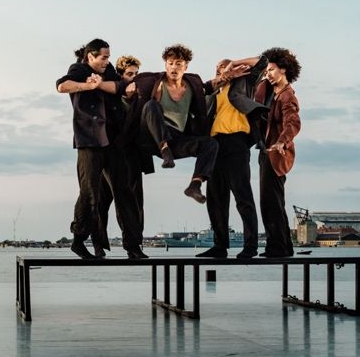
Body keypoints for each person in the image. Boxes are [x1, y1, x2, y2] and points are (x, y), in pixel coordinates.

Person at [56, 39, 146, 259]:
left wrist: (103, 85)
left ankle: (133, 246)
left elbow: (121, 87)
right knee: (89, 193)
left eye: (108, 57)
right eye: (103, 57)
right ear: (91, 56)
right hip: (89, 141)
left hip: (113, 141)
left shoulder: (110, 71)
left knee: (124, 192)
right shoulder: (79, 70)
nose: (107, 61)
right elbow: (62, 86)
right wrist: (88, 85)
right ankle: (78, 240)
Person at [121, 44, 244, 203]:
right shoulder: (153, 82)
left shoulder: (192, 85)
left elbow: (208, 86)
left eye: (178, 64)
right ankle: (164, 148)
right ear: (165, 65)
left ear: (185, 66)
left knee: (211, 144)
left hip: (176, 139)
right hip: (151, 137)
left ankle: (195, 185)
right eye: (170, 63)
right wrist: (127, 94)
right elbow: (118, 88)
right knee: (151, 105)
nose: (174, 67)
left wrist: (227, 77)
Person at [198, 56, 269, 258]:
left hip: (236, 143)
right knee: (215, 198)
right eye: (217, 67)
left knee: (242, 196)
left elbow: (263, 60)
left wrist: (234, 64)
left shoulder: (243, 84)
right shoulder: (213, 92)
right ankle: (220, 246)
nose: (220, 69)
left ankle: (250, 246)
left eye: (223, 66)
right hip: (214, 146)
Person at [254, 48, 302, 258]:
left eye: (271, 70)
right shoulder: (269, 91)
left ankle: (277, 247)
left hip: (277, 154)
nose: (268, 74)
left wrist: (282, 141)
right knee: (273, 201)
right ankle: (284, 247)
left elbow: (293, 122)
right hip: (267, 151)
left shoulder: (287, 96)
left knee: (270, 201)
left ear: (283, 69)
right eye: (266, 71)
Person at [96, 55, 145, 253]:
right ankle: (99, 244)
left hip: (131, 154)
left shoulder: (140, 96)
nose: (133, 78)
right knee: (102, 200)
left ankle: (133, 244)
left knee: (132, 199)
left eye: (136, 74)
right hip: (109, 152)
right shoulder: (110, 94)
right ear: (120, 75)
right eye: (129, 74)